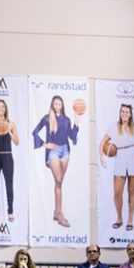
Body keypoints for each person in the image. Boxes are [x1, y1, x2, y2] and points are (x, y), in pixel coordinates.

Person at [98, 103, 134, 231]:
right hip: (120, 160)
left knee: (132, 191)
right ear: (120, 113)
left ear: (130, 115)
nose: (124, 114)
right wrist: (101, 157)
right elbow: (102, 143)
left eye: (127, 112)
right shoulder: (114, 127)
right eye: (122, 111)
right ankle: (119, 218)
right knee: (117, 192)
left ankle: (130, 220)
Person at [32, 95, 80, 228]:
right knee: (58, 181)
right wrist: (44, 144)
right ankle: (60, 215)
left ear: (62, 105)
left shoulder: (66, 119)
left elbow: (72, 137)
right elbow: (35, 132)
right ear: (52, 105)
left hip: (65, 151)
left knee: (59, 183)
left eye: (59, 104)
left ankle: (56, 212)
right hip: (53, 151)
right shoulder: (47, 118)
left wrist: (76, 122)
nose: (57, 106)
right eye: (55, 104)